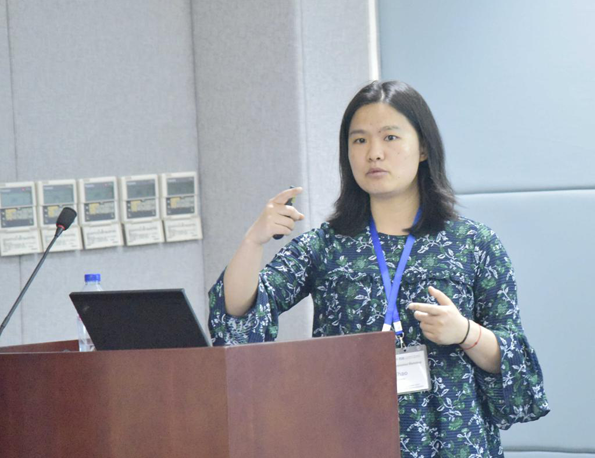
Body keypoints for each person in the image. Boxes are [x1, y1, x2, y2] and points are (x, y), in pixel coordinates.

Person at [208, 80, 549, 457]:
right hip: (350, 437)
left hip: (454, 440)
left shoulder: (474, 243)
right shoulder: (326, 245)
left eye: (390, 137)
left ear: (423, 148)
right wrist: (253, 242)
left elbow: (515, 363)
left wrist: (466, 333)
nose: (374, 153)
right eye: (359, 140)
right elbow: (238, 314)